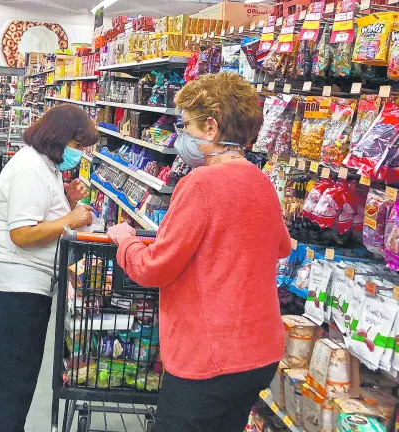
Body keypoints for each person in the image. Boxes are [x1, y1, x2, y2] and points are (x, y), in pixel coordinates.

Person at [106, 72, 290, 432]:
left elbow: (154, 269)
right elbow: (280, 246)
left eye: (186, 125)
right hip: (260, 352)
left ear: (210, 127)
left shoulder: (202, 182)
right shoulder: (260, 179)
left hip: (210, 356)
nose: (182, 136)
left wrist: (126, 240)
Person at [0, 104, 98, 432]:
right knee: (18, 380)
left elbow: (42, 214)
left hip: (24, 282)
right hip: (12, 284)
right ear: (59, 137)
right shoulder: (30, 168)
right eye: (77, 145)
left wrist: (68, 200)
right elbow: (22, 233)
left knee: (15, 378)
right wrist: (70, 218)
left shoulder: (46, 166)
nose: (80, 153)